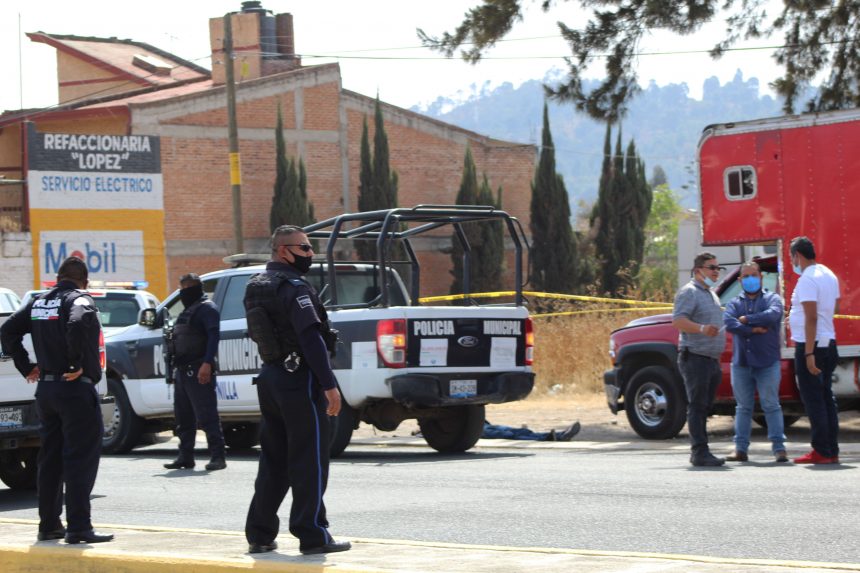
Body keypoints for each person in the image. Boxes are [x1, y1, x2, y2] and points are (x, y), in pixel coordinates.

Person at [243, 225, 350, 556]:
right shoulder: (295, 288)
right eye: (304, 248)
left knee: (274, 459)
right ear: (282, 251)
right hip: (299, 379)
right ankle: (312, 533)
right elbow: (311, 337)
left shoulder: (256, 286)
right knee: (310, 458)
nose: (310, 254)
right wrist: (329, 384)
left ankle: (260, 533)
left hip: (271, 376)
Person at [0, 257, 113, 544]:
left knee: (50, 460)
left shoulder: (39, 302)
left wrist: (26, 367)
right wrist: (75, 363)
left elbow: (7, 330)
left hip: (46, 392)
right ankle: (79, 527)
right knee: (79, 459)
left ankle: (49, 525)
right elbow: (77, 322)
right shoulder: (79, 300)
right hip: (75, 391)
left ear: (58, 277)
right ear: (83, 281)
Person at [723, 261, 787, 462]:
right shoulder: (734, 303)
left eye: (754, 275)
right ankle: (740, 449)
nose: (750, 279)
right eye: (746, 276)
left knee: (771, 405)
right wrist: (752, 330)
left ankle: (779, 448)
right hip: (741, 363)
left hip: (767, 363)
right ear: (740, 280)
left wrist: (746, 320)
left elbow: (773, 315)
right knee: (743, 407)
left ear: (760, 277)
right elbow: (729, 323)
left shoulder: (772, 298)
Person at [163, 273, 226, 471]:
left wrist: (207, 363)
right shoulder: (188, 310)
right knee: (183, 417)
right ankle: (185, 456)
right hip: (182, 370)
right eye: (181, 290)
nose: (183, 294)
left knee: (206, 415)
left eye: (186, 290)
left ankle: (218, 456)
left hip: (198, 368)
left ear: (197, 289)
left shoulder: (207, 309)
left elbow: (213, 337)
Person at [787, 236, 841, 464]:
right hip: (828, 342)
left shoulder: (808, 279)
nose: (792, 262)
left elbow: (811, 318)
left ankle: (821, 450)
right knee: (826, 397)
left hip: (812, 346)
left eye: (792, 258)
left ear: (797, 255)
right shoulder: (828, 273)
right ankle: (831, 450)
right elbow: (835, 307)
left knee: (814, 399)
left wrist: (808, 354)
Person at [672, 252, 727, 467]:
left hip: (710, 359)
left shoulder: (710, 294)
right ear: (698, 271)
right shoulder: (689, 292)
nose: (716, 271)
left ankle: (703, 450)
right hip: (695, 357)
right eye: (711, 267)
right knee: (697, 406)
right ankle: (699, 452)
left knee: (704, 406)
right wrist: (702, 329)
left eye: (718, 268)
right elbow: (678, 321)